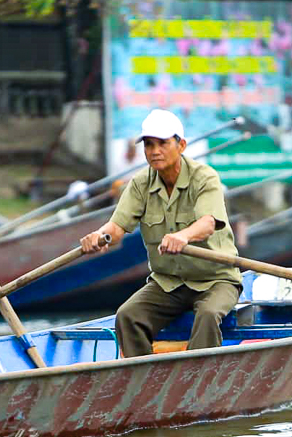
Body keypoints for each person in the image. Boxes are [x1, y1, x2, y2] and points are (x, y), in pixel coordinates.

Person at [79, 109, 242, 358]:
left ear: (181, 145)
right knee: (128, 315)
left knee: (208, 315)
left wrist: (183, 236)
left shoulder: (204, 177)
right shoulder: (139, 184)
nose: (154, 151)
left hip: (215, 280)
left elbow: (208, 223)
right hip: (168, 283)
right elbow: (116, 229)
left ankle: (197, 380)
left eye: (163, 143)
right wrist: (100, 237)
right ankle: (143, 382)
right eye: (149, 144)